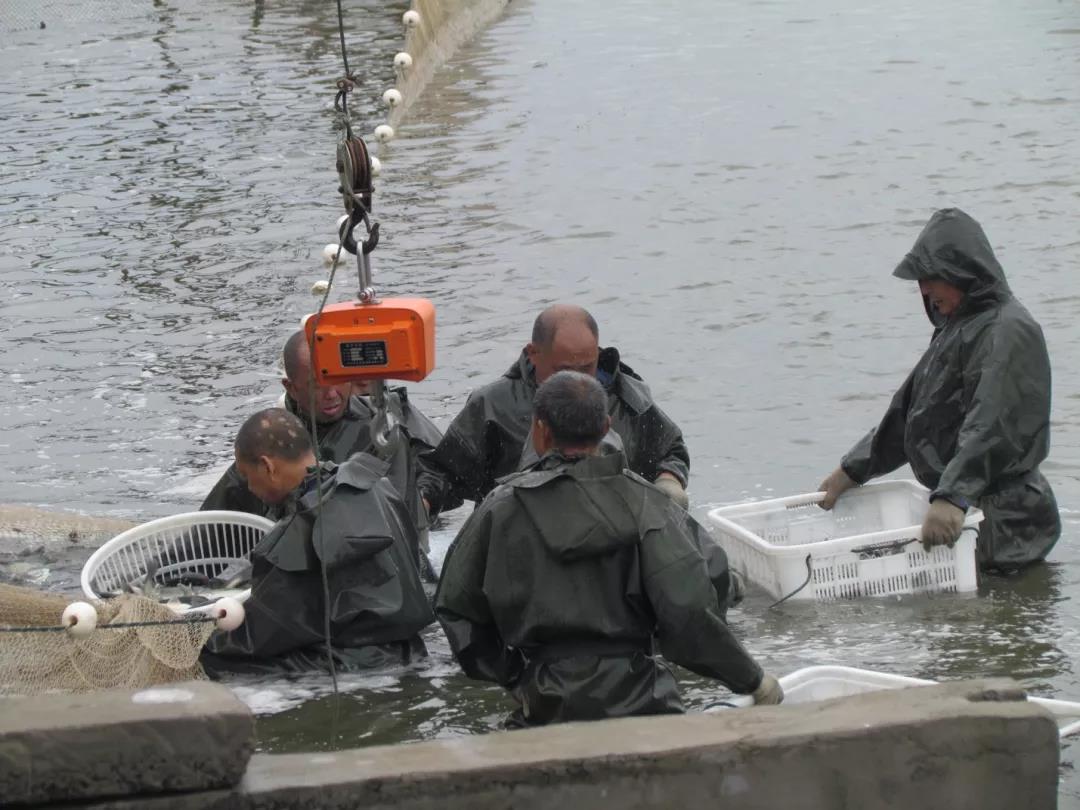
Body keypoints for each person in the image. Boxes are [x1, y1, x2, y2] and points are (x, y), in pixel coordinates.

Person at [434, 371, 780, 727]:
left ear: (540, 431)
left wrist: (514, 676)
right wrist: (752, 679)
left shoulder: (500, 509)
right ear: (606, 428)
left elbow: (456, 608)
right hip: (645, 697)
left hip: (545, 702)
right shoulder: (648, 504)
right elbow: (691, 611)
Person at [818, 208, 1060, 572]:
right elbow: (911, 413)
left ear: (961, 272)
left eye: (930, 278)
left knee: (1007, 602)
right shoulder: (957, 328)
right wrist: (852, 470)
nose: (924, 289)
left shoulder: (1007, 330)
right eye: (921, 280)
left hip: (1008, 521)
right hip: (970, 508)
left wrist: (953, 496)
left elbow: (991, 424)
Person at [201, 408, 434, 675]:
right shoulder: (375, 484)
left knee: (214, 661)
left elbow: (258, 633)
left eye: (247, 476)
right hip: (411, 649)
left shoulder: (302, 530)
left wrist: (201, 640)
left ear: (267, 467)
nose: (250, 487)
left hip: (357, 666)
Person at [418, 304, 690, 518]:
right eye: (564, 370)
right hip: (515, 533)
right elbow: (444, 473)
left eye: (587, 368)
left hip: (613, 535)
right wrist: (423, 502)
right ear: (533, 353)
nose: (577, 380)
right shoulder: (493, 406)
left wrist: (670, 482)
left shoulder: (628, 401)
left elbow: (671, 450)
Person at [201, 331, 442, 563]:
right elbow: (207, 531)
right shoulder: (268, 440)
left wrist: (424, 499)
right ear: (290, 387)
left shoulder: (382, 428)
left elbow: (438, 469)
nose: (331, 394)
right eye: (316, 385)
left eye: (337, 379)